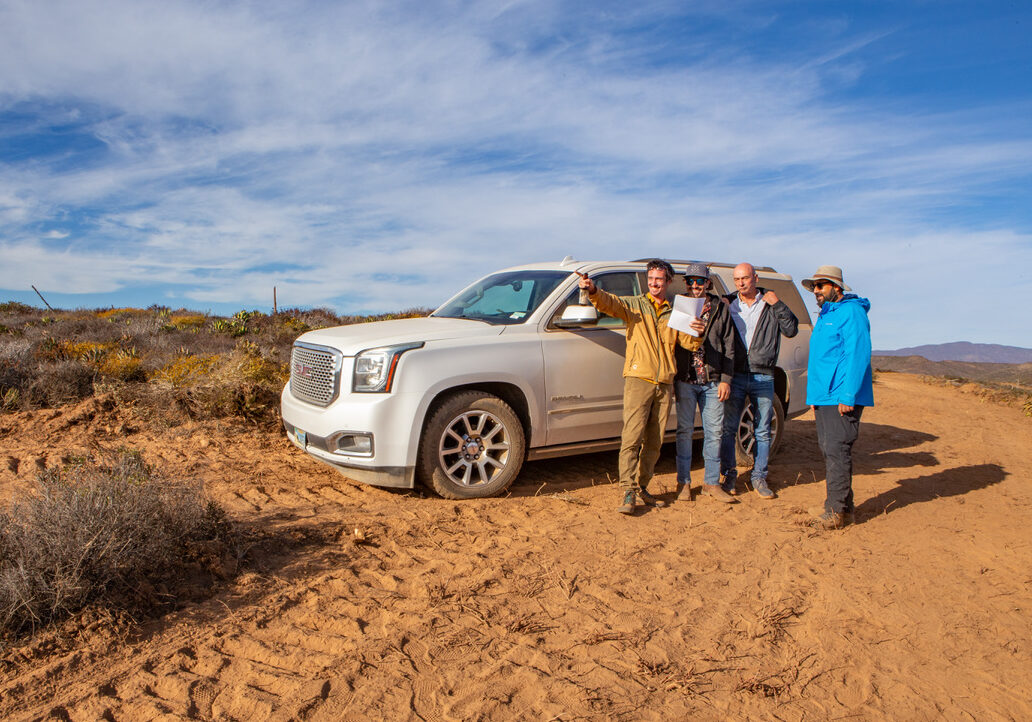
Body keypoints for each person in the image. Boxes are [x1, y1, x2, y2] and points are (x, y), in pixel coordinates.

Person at [578, 259, 684, 514]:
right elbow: (610, 303)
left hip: (664, 382)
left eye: (659, 279)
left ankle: (642, 486)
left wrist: (698, 330)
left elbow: (689, 343)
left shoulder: (675, 312)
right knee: (632, 437)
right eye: (651, 279)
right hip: (639, 379)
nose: (654, 283)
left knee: (655, 441)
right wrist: (593, 291)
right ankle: (628, 490)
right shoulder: (635, 305)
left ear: (668, 281)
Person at [802, 265, 873, 530]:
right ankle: (845, 509)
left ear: (836, 287)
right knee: (829, 449)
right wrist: (815, 395)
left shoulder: (851, 312)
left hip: (841, 395)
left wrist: (848, 394)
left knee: (837, 450)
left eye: (820, 285)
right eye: (814, 287)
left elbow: (858, 354)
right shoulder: (827, 314)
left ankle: (834, 512)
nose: (816, 291)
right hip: (825, 396)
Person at [720, 263, 798, 499]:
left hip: (763, 374)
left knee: (762, 430)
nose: (741, 283)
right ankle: (729, 476)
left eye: (745, 278)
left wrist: (778, 304)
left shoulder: (770, 303)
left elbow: (791, 329)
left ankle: (759, 477)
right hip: (735, 373)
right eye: (737, 279)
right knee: (728, 429)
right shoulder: (728, 304)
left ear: (755, 278)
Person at [672, 263, 736, 503]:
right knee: (684, 432)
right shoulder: (679, 307)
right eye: (691, 281)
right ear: (686, 283)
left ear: (708, 283)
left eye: (700, 281)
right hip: (685, 379)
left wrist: (726, 379)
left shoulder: (720, 308)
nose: (695, 285)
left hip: (712, 380)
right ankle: (683, 483)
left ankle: (711, 483)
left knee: (714, 432)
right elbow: (671, 342)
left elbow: (729, 345)